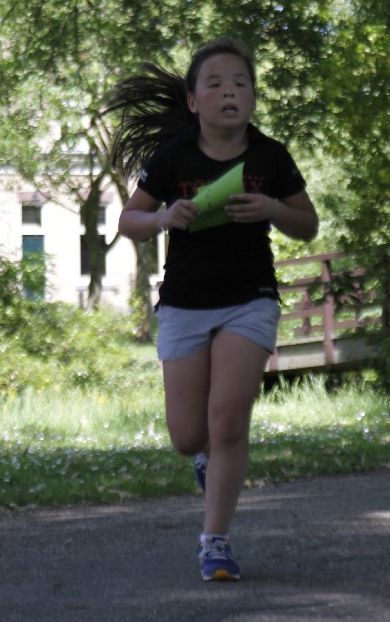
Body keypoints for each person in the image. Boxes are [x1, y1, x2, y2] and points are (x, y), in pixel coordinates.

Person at [112, 37, 319, 581]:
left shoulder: (271, 157)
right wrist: (164, 217)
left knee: (227, 421)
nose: (230, 92)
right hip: (184, 302)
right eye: (216, 84)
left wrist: (271, 207)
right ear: (193, 101)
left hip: (250, 300)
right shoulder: (173, 156)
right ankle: (206, 460)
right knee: (188, 436)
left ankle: (215, 542)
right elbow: (129, 221)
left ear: (252, 97)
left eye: (240, 83)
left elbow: (307, 224)